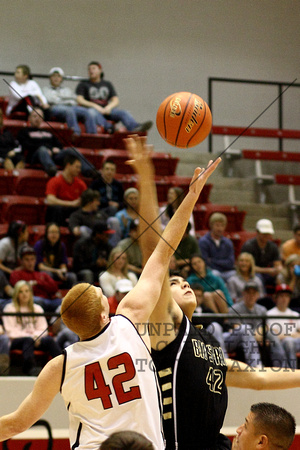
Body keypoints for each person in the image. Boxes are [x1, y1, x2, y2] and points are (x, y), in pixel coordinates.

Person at [0, 135, 218, 448]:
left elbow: (16, 423)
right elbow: (163, 251)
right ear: (105, 311)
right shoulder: (128, 321)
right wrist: (191, 196)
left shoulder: (59, 365)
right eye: (101, 294)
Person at [127, 138, 300, 450]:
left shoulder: (206, 341)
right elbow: (154, 251)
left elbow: (259, 378)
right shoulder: (164, 329)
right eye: (173, 282)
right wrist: (147, 177)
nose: (182, 284)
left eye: (182, 280)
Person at [191, 283, 263, 368]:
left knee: (245, 328)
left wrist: (229, 329)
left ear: (203, 298)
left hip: (221, 340)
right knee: (215, 327)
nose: (197, 298)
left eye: (199, 296)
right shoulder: (189, 312)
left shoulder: (208, 310)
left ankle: (256, 366)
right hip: (203, 342)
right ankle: (225, 365)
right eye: (195, 295)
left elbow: (223, 324)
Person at [2, 280, 61, 375]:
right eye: (21, 292)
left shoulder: (37, 308)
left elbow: (43, 328)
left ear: (30, 293)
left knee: (49, 340)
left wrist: (35, 337)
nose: (24, 294)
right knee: (27, 340)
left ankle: (62, 365)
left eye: (27, 291)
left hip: (35, 339)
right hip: (15, 341)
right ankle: (30, 368)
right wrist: (31, 337)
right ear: (16, 294)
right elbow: (10, 331)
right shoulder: (9, 308)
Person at [76, 61, 152, 134]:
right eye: (89, 69)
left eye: (93, 68)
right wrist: (95, 106)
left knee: (124, 112)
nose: (90, 71)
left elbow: (115, 100)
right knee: (92, 112)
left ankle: (134, 127)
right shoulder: (83, 84)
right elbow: (79, 99)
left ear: (100, 70)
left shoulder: (107, 84)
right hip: (92, 110)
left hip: (106, 110)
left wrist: (108, 107)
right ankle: (109, 127)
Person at [17, 107, 95, 177]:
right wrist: (47, 149)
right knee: (43, 150)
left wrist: (54, 149)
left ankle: (90, 170)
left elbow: (59, 145)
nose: (37, 119)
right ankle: (52, 170)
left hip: (53, 156)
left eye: (39, 116)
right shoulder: (24, 132)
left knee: (71, 150)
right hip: (36, 156)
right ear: (29, 118)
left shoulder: (48, 132)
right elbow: (26, 145)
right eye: (35, 116)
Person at [228, 281, 287, 367]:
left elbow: (264, 327)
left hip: (257, 337)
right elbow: (237, 328)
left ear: (258, 295)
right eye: (248, 293)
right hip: (239, 341)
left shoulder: (262, 309)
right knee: (246, 330)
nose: (251, 296)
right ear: (243, 294)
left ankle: (281, 368)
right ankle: (257, 366)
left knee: (272, 334)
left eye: (254, 293)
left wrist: (260, 333)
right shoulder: (235, 308)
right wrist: (256, 335)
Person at [43, 67, 98, 135]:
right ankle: (76, 134)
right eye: (54, 76)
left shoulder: (67, 90)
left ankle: (92, 135)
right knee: (69, 110)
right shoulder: (45, 89)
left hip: (71, 107)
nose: (56, 78)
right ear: (50, 78)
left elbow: (74, 101)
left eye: (58, 76)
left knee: (88, 112)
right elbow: (51, 100)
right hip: (54, 108)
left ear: (61, 79)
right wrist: (66, 100)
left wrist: (60, 99)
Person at [10, 246, 61, 313]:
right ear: (21, 261)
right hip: (33, 301)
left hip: (49, 301)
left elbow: (54, 288)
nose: (30, 262)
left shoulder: (42, 274)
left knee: (65, 302)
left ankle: (53, 321)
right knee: (37, 300)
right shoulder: (16, 274)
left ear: (35, 260)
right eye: (27, 260)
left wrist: (37, 283)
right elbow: (18, 289)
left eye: (32, 259)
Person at [45, 153, 87, 226]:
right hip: (59, 211)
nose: (79, 170)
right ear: (68, 165)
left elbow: (86, 199)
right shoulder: (55, 181)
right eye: (77, 167)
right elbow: (50, 200)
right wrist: (71, 203)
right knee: (56, 209)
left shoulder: (80, 183)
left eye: (80, 168)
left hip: (73, 211)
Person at [241, 219, 282, 294]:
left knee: (281, 276)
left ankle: (281, 297)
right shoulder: (248, 246)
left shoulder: (273, 246)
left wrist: (278, 269)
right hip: (251, 272)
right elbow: (247, 267)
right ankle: (262, 298)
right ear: (257, 232)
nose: (266, 235)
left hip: (268, 272)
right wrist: (268, 270)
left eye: (268, 233)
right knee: (258, 278)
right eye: (264, 233)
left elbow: (277, 263)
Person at [33, 222, 77, 289]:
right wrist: (56, 271)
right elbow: (40, 267)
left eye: (56, 232)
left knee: (72, 276)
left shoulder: (61, 246)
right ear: (46, 233)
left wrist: (63, 270)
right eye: (51, 232)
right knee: (47, 274)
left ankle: (69, 297)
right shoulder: (39, 245)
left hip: (57, 272)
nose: (54, 235)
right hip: (43, 272)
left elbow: (63, 264)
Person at [267, 284, 300, 369]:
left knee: (289, 341)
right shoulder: (270, 314)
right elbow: (274, 335)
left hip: (296, 343)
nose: (284, 299)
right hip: (279, 344)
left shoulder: (295, 314)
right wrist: (292, 335)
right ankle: (293, 371)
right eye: (281, 296)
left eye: (287, 296)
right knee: (289, 341)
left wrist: (287, 335)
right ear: (276, 298)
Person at [198, 212, 236, 282]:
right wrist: (223, 263)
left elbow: (231, 262)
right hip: (212, 271)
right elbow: (205, 262)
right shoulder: (203, 241)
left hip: (227, 271)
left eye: (222, 226)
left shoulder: (228, 242)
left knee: (235, 276)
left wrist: (213, 260)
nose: (220, 228)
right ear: (211, 225)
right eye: (217, 225)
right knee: (215, 274)